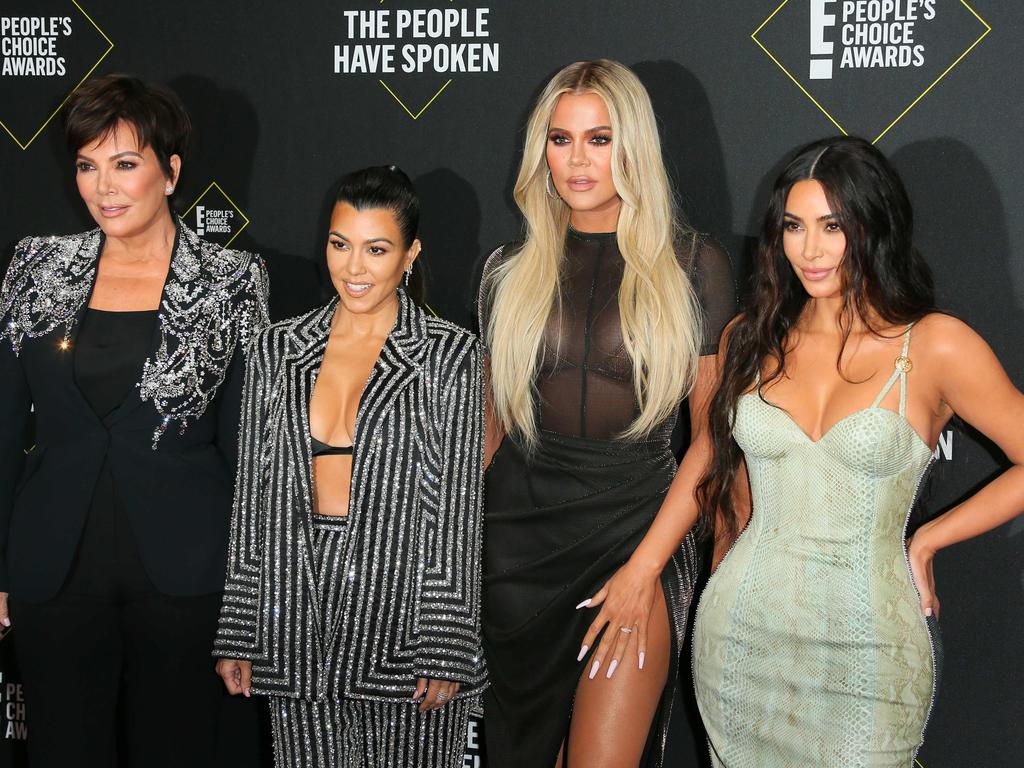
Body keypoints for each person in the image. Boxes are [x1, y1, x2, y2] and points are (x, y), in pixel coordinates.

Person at [692, 136, 1024, 766]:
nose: (809, 250)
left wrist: (927, 540)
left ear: (874, 227)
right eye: (793, 226)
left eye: (832, 226)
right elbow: (725, 494)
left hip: (872, 648)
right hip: (741, 637)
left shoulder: (934, 345)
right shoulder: (749, 338)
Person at [0, 74, 269, 767]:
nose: (104, 187)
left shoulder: (232, 280)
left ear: (171, 172)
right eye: (88, 166)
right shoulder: (36, 266)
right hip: (53, 570)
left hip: (188, 575)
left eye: (126, 164)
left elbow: (253, 453)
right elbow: (2, 427)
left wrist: (246, 603)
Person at [478, 59, 735, 767]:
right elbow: (489, 436)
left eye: (600, 138)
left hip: (636, 535)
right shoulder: (508, 269)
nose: (578, 160)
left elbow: (711, 438)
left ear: (634, 147)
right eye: (561, 139)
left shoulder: (692, 265)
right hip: (515, 554)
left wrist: (644, 568)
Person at [214, 166, 486, 768]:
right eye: (340, 244)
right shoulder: (275, 349)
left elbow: (457, 508)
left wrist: (445, 640)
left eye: (376, 249)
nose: (354, 267)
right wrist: (240, 622)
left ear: (410, 253)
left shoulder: (449, 354)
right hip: (294, 603)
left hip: (405, 610)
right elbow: (254, 494)